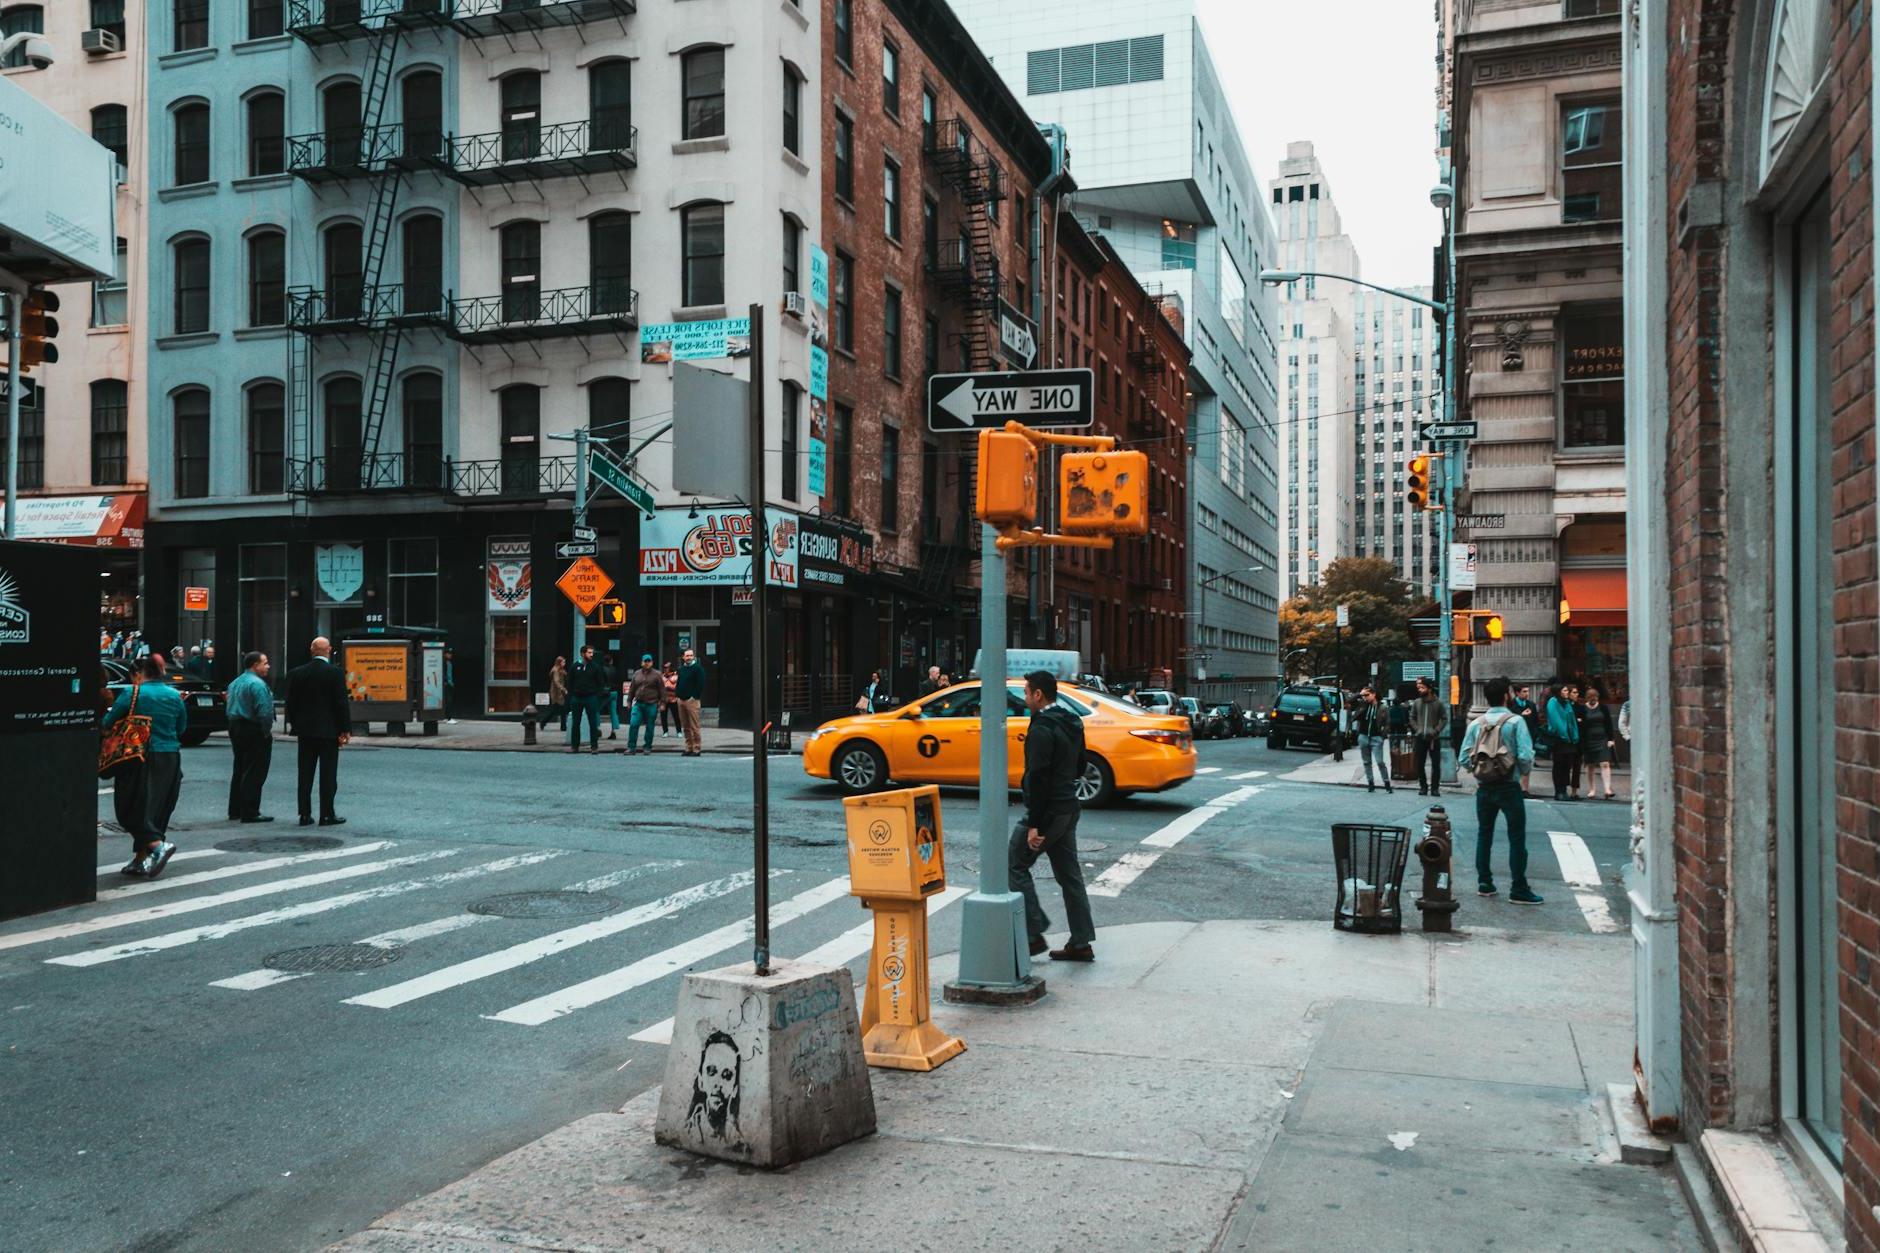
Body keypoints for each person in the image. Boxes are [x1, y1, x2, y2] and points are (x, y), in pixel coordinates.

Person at [1009, 670, 1097, 963]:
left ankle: (1033, 934)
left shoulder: (1042, 728)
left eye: (1026, 692)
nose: (1024, 698)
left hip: (1049, 812)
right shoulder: (1072, 721)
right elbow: (1080, 765)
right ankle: (1081, 942)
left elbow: (1038, 778)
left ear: (1038, 695)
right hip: (1069, 807)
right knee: (1070, 877)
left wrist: (1035, 824)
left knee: (1014, 864)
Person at [104, 655, 187, 878]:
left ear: (138, 674)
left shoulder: (133, 693)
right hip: (170, 756)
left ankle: (158, 846)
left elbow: (107, 723)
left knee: (128, 808)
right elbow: (182, 726)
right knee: (157, 808)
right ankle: (141, 859)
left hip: (138, 757)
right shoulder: (174, 695)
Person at [1460, 676, 1541, 904]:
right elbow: (1525, 755)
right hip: (1509, 785)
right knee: (1516, 837)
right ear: (1507, 694)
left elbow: (1464, 758)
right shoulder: (1515, 722)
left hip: (1484, 787)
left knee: (1484, 834)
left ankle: (1485, 882)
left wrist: (1479, 771)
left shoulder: (1476, 723)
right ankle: (1518, 888)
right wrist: (1520, 772)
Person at [285, 636, 353, 826]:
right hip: (328, 731)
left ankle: (304, 814)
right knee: (328, 774)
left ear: (311, 650)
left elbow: (290, 702)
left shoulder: (297, 673)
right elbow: (341, 703)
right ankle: (326, 814)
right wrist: (344, 729)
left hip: (305, 731)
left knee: (305, 774)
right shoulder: (335, 673)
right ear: (329, 650)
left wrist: (295, 724)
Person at [225, 651, 276, 824]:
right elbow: (264, 711)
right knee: (255, 769)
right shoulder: (258, 685)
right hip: (252, 727)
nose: (268, 666)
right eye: (265, 663)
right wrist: (266, 731)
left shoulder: (235, 683)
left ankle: (235, 809)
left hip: (235, 726)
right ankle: (250, 810)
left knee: (239, 767)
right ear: (255, 665)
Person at [1580, 684, 1618, 800]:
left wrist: (1611, 739)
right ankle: (1592, 789)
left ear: (1597, 697)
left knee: (1604, 763)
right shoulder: (1582, 709)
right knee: (1590, 765)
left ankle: (1607, 789)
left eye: (1595, 698)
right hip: (1588, 739)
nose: (1593, 700)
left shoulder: (1603, 708)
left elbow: (1608, 723)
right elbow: (1581, 725)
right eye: (1591, 698)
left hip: (1602, 738)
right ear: (1587, 698)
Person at [1546, 681, 1582, 801]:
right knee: (1559, 765)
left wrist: (1574, 735)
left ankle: (1564, 790)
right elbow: (1556, 721)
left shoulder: (1567, 703)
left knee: (1567, 765)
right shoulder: (1553, 702)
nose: (1567, 693)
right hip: (1559, 738)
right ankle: (1558, 791)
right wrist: (1564, 735)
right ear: (1558, 692)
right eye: (1565, 691)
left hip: (1569, 739)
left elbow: (1571, 720)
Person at [565, 644, 605, 753]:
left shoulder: (595, 667)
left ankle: (594, 746)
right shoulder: (575, 666)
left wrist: (597, 696)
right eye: (589, 652)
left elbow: (600, 683)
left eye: (592, 653)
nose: (591, 655)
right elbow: (570, 682)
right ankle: (575, 746)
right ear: (583, 654)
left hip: (590, 697)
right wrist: (571, 696)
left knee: (593, 723)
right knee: (575, 723)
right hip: (577, 698)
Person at [1410, 677, 1445, 796]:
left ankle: (1435, 788)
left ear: (1429, 688)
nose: (1420, 689)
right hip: (1420, 737)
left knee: (1436, 764)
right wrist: (1417, 729)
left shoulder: (1438, 703)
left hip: (1434, 738)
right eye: (1419, 687)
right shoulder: (1417, 702)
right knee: (1420, 764)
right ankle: (1423, 787)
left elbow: (1444, 718)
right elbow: (1412, 717)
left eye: (1422, 687)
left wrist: (1436, 730)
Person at [1355, 685, 1392, 794]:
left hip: (1376, 737)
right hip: (1364, 736)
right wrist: (1359, 694)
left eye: (1367, 695)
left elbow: (1387, 723)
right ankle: (1370, 783)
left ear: (1374, 694)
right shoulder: (1363, 706)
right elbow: (1349, 702)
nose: (1365, 698)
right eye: (1364, 696)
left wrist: (1382, 735)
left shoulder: (1383, 707)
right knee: (1367, 762)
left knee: (1380, 761)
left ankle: (1387, 783)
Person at [626, 653, 663, 755]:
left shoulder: (657, 674)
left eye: (649, 661)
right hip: (638, 703)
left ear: (652, 662)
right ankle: (631, 747)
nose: (647, 663)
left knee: (650, 726)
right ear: (642, 662)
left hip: (652, 703)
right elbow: (632, 688)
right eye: (645, 661)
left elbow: (662, 690)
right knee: (633, 724)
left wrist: (662, 703)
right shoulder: (637, 674)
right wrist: (629, 700)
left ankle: (647, 747)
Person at [675, 647, 706, 757]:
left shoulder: (698, 669)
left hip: (692, 701)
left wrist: (694, 697)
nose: (689, 657)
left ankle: (697, 749)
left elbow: (701, 684)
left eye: (691, 655)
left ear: (693, 656)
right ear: (683, 657)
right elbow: (678, 683)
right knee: (686, 726)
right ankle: (688, 748)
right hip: (681, 700)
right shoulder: (681, 669)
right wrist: (677, 696)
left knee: (694, 726)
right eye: (687, 655)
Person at [601, 651, 622, 741]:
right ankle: (614, 730)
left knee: (596, 709)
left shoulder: (602, 669)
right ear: (611, 661)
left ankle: (597, 728)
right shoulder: (615, 669)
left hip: (606, 692)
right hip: (614, 692)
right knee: (613, 711)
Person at [547, 656, 569, 731]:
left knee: (559, 709)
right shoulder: (555, 670)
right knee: (559, 709)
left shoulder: (561, 670)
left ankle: (563, 726)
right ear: (559, 663)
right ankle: (544, 722)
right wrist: (563, 689)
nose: (564, 663)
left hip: (560, 693)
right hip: (557, 693)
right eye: (563, 662)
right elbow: (556, 682)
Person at [660, 662, 679, 737]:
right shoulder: (662, 677)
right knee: (663, 716)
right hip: (664, 699)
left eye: (667, 667)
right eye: (664, 667)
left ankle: (679, 731)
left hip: (673, 699)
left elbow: (678, 687)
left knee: (676, 716)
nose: (665, 669)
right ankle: (665, 731)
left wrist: (670, 688)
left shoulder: (676, 676)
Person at [442, 647, 457, 724]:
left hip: (449, 683)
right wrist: (446, 682)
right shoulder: (444, 662)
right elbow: (445, 674)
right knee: (448, 701)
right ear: (445, 654)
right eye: (448, 653)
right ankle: (449, 718)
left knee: (447, 701)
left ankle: (446, 717)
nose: (450, 655)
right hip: (447, 684)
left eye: (451, 654)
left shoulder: (448, 662)